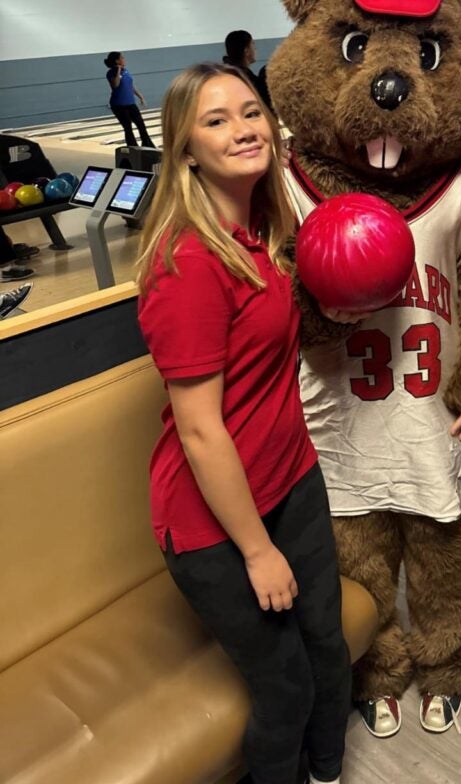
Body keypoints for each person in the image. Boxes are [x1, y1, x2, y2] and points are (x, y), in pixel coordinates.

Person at [136, 63, 350, 784]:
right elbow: (199, 431)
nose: (243, 128)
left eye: (250, 111)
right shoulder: (188, 262)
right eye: (216, 119)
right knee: (285, 688)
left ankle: (327, 771)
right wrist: (258, 552)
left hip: (291, 478)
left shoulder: (262, 226)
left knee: (328, 643)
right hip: (215, 524)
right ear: (185, 149)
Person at [104, 52, 155, 148]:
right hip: (119, 105)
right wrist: (118, 71)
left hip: (130, 103)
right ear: (117, 61)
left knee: (141, 125)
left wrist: (140, 97)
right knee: (128, 127)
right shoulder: (111, 73)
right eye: (122, 58)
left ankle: (148, 145)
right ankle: (132, 147)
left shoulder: (126, 71)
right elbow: (115, 85)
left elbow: (130, 86)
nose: (124, 59)